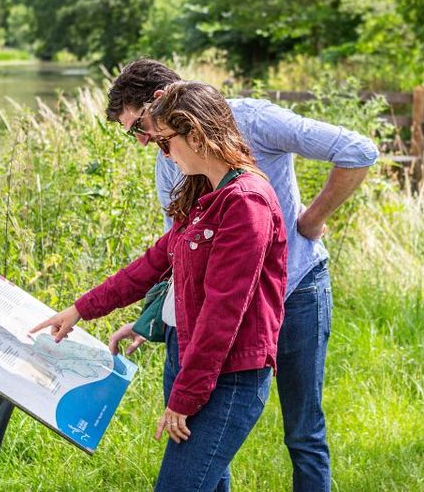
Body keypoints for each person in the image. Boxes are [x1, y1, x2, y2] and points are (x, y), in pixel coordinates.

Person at [106, 58, 379, 491]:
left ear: (161, 102)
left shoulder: (253, 120)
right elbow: (180, 254)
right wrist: (153, 320)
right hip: (230, 313)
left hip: (296, 291)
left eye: (138, 126)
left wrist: (310, 220)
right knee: (211, 441)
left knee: (304, 432)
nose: (142, 141)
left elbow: (358, 150)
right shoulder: (171, 159)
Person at [30, 81, 288, 491]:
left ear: (196, 134)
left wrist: (183, 399)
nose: (163, 153)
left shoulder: (245, 204)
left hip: (233, 377)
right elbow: (151, 265)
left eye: (166, 142)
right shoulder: (207, 193)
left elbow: (222, 314)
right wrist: (80, 309)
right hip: (201, 366)